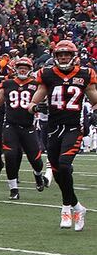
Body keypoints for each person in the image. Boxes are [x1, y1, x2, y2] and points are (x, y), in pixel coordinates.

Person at [29, 40, 97, 231]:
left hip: (74, 127)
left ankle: (66, 207)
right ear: (55, 57)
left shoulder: (85, 74)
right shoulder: (48, 74)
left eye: (66, 55)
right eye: (60, 55)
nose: (63, 58)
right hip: (53, 129)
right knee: (58, 172)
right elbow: (33, 102)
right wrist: (35, 106)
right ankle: (77, 206)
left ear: (73, 56)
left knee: (65, 165)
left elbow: (94, 99)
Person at [0, 57, 45, 200]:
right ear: (15, 69)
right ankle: (13, 188)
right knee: (10, 156)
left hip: (28, 126)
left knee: (36, 160)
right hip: (10, 125)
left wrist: (40, 107)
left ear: (30, 70)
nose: (22, 69)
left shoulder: (36, 85)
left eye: (25, 67)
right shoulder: (7, 83)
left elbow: (42, 101)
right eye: (20, 67)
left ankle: (37, 174)